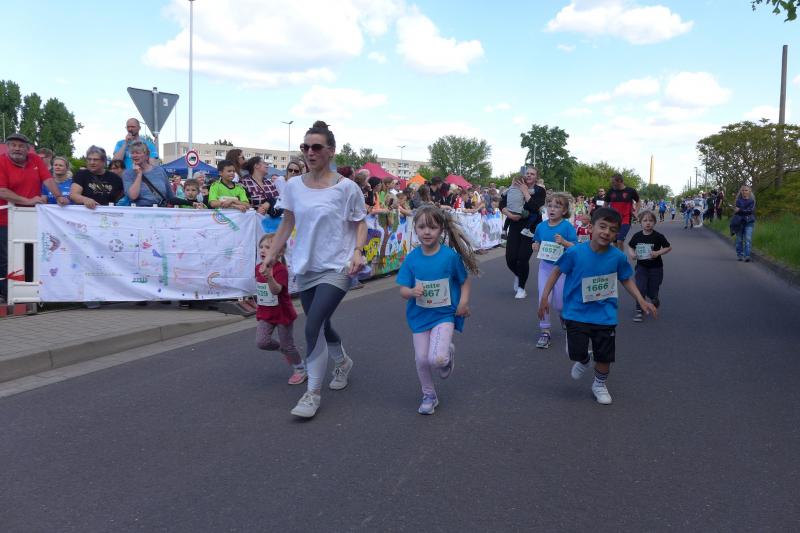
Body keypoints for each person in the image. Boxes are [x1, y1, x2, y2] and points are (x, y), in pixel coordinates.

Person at [262, 120, 367, 419]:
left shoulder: (347, 188)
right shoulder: (294, 186)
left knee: (312, 326)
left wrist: (357, 251)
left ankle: (313, 393)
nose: (310, 152)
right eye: (305, 147)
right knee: (322, 323)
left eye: (316, 147)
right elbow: (288, 222)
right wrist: (272, 253)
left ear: (331, 151)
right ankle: (342, 362)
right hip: (306, 266)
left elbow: (360, 222)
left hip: (338, 266)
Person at [538, 207, 657, 405]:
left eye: (612, 229)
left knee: (605, 356)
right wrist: (544, 297)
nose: (606, 232)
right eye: (602, 226)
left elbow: (626, 279)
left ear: (616, 234)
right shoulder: (575, 252)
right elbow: (557, 271)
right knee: (575, 353)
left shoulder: (617, 256)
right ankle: (584, 360)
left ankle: (599, 385)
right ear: (591, 228)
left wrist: (641, 300)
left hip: (605, 314)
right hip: (576, 312)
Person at [397, 205, 479, 414]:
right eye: (422, 227)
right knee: (422, 359)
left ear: (441, 229)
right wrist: (411, 291)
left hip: (444, 315)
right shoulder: (412, 258)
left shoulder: (449, 257)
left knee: (437, 359)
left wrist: (463, 303)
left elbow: (464, 281)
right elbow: (402, 290)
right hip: (419, 317)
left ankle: (446, 355)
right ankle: (429, 395)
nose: (427, 232)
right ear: (415, 228)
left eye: (432, 227)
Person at [0, 133, 69, 302]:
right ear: (7, 147)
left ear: (28, 148)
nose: (17, 148)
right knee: (6, 257)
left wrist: (59, 196)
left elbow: (48, 179)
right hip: (5, 218)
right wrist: (27, 200)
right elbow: (2, 191)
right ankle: (6, 293)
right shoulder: (1, 162)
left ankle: (28, 292)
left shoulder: (35, 159)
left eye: (21, 146)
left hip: (30, 217)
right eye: (13, 145)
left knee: (30, 254)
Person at [256, 233, 307, 385]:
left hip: (282, 314)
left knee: (288, 345)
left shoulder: (280, 270)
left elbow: (276, 291)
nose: (263, 250)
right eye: (261, 247)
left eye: (268, 247)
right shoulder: (258, 268)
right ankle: (282, 349)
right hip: (266, 313)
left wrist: (269, 277)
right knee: (262, 342)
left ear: (279, 252)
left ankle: (300, 369)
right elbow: (261, 289)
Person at [532, 192, 578, 349]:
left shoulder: (567, 227)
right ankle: (545, 331)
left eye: (557, 207)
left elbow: (576, 247)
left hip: (562, 269)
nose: (552, 209)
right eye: (549, 206)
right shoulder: (541, 226)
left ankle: (563, 316)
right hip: (545, 268)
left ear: (564, 211)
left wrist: (564, 242)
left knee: (560, 303)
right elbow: (536, 240)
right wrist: (535, 245)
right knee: (543, 298)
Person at [502, 167, 546, 299]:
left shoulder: (539, 190)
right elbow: (502, 203)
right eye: (527, 173)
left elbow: (535, 207)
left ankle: (521, 288)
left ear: (536, 177)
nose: (529, 175)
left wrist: (525, 192)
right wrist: (509, 214)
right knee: (510, 259)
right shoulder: (516, 185)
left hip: (531, 228)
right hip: (515, 225)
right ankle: (519, 275)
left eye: (532, 174)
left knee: (522, 258)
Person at [626, 210, 671, 323]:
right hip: (641, 267)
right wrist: (632, 254)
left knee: (652, 290)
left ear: (654, 222)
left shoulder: (658, 236)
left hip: (656, 268)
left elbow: (668, 247)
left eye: (650, 221)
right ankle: (639, 310)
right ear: (640, 222)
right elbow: (630, 246)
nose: (648, 223)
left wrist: (658, 253)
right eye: (645, 220)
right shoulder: (637, 236)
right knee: (640, 288)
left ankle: (654, 298)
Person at [123, 142, 198, 208]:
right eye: (132, 153)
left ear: (147, 155)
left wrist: (191, 203)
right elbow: (133, 196)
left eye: (138, 153)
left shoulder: (159, 171)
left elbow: (171, 197)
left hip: (160, 214)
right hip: (139, 215)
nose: (134, 155)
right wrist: (139, 175)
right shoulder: (128, 174)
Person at [604, 174, 639, 250]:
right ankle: (617, 255)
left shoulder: (630, 191)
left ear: (620, 181)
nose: (612, 184)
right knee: (614, 242)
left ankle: (621, 256)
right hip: (613, 219)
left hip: (626, 219)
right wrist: (604, 215)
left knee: (620, 241)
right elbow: (605, 204)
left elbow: (638, 201)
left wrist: (636, 211)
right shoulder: (611, 191)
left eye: (613, 182)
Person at [733, 185, 756, 262]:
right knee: (739, 240)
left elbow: (750, 211)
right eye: (743, 190)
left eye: (746, 190)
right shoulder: (738, 201)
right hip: (740, 222)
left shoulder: (752, 201)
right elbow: (737, 212)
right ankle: (740, 254)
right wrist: (741, 211)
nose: (744, 192)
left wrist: (740, 210)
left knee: (748, 239)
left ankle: (747, 256)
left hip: (749, 222)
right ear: (741, 192)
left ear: (749, 191)